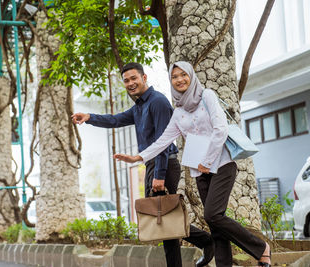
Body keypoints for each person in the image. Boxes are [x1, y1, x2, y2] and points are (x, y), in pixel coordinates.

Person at [114, 61, 272, 267]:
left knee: (212, 215)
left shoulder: (207, 96)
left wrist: (207, 160)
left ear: (191, 75)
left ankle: (260, 248)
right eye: (174, 77)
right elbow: (163, 140)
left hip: (222, 164)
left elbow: (221, 129)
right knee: (216, 225)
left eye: (183, 75)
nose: (179, 80)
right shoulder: (178, 112)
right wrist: (139, 158)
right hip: (199, 172)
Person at [72, 62, 214, 267]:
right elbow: (115, 120)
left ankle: (206, 241)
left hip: (163, 164)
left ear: (144, 78)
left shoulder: (158, 102)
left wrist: (159, 174)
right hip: (153, 165)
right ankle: (205, 242)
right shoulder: (139, 106)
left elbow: (163, 143)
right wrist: (89, 117)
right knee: (163, 218)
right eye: (126, 80)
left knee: (164, 217)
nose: (130, 83)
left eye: (134, 78)